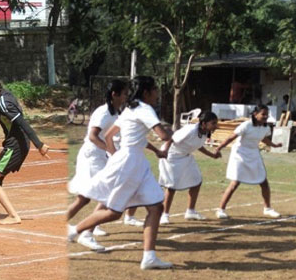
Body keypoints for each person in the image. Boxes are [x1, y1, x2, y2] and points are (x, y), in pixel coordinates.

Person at [67, 76, 173, 269]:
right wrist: (175, 133)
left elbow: (109, 136)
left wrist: (116, 155)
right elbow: (163, 135)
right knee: (114, 212)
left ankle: (149, 257)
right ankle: (74, 231)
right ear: (147, 91)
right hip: (130, 163)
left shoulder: (130, 109)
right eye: (155, 89)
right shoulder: (144, 109)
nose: (157, 93)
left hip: (135, 162)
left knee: (157, 207)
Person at [0, 72, 50, 224]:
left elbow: (22, 123)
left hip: (15, 146)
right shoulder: (2, 96)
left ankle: (13, 215)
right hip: (15, 143)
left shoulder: (2, 103)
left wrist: (39, 145)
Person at [67, 79, 128, 250]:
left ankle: (77, 229)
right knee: (107, 194)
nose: (126, 97)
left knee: (85, 198)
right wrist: (110, 151)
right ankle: (86, 234)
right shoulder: (104, 112)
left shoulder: (116, 112)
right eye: (124, 93)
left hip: (99, 156)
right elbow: (93, 136)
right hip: (92, 156)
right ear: (114, 94)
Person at [215, 104, 282, 219]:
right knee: (235, 182)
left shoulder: (265, 128)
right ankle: (221, 209)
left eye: (267, 114)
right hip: (240, 154)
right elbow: (231, 137)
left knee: (263, 181)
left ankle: (268, 208)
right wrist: (218, 148)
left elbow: (264, 138)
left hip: (254, 153)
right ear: (255, 114)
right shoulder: (246, 125)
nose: (266, 117)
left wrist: (274, 145)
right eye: (263, 114)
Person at [158, 111, 221, 225]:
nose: (215, 126)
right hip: (172, 156)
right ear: (204, 123)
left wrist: (212, 155)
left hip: (186, 156)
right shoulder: (190, 130)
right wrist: (165, 152)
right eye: (213, 123)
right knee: (172, 187)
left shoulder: (205, 132)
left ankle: (190, 211)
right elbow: (171, 139)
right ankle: (164, 215)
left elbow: (198, 146)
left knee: (196, 181)